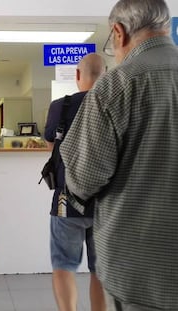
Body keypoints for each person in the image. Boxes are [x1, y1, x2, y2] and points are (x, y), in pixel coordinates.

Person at [60, 0, 178, 310]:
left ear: (118, 31)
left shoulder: (116, 85)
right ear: (166, 27)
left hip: (141, 269)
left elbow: (83, 180)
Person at [44, 53, 106, 311]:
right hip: (106, 201)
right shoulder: (115, 104)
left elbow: (52, 146)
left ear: (78, 75)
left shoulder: (60, 106)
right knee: (100, 270)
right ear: (106, 75)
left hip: (66, 200)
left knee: (63, 266)